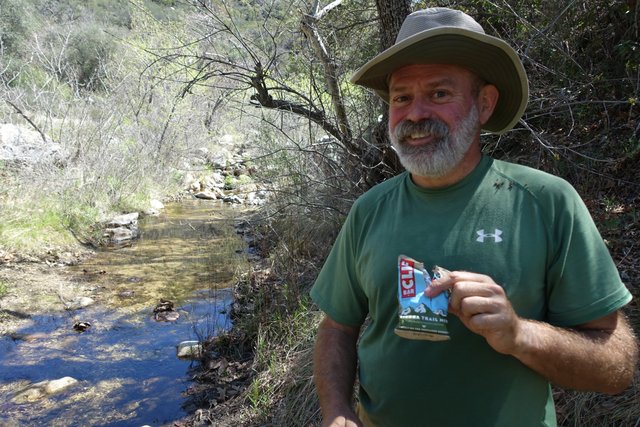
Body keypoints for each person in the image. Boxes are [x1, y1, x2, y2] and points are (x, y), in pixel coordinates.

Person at [310, 7, 638, 427]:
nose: (414, 114)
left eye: (439, 93)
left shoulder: (545, 202)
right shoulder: (370, 209)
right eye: (401, 97)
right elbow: (338, 326)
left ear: (485, 104)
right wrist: (336, 412)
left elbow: (617, 363)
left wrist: (520, 334)